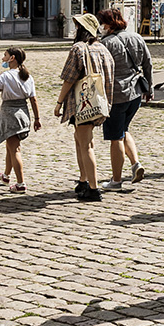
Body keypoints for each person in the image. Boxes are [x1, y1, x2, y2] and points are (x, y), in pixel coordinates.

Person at [57, 13, 116, 202]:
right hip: (98, 102)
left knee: (86, 144)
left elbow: (69, 78)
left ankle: (93, 187)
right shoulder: (103, 49)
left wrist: (59, 103)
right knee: (81, 140)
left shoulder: (78, 49)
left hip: (81, 103)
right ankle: (83, 179)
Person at [97, 8, 153, 191]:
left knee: (115, 138)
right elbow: (148, 63)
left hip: (117, 95)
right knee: (123, 129)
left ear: (108, 24)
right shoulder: (136, 37)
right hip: (135, 92)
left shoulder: (106, 43)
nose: (101, 27)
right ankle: (136, 163)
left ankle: (116, 180)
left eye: (102, 23)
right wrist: (149, 88)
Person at [0, 48, 38, 192]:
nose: (3, 58)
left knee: (15, 149)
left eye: (5, 55)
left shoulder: (4, 76)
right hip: (23, 114)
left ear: (12, 58)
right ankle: (6, 175)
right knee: (11, 145)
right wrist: (37, 118)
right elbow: (33, 99)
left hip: (9, 115)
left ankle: (21, 183)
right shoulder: (28, 76)